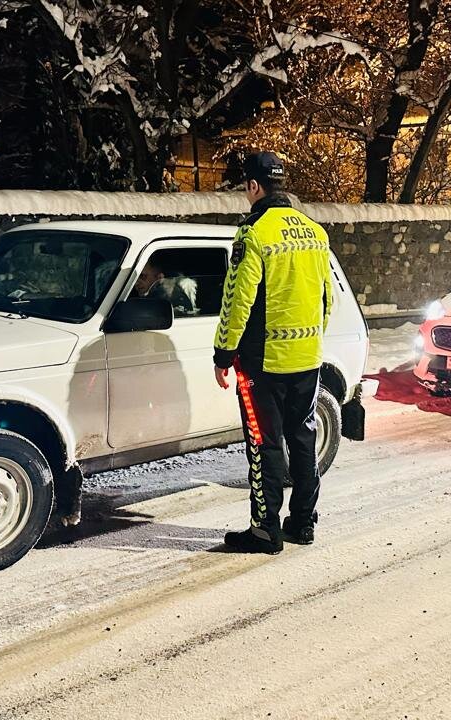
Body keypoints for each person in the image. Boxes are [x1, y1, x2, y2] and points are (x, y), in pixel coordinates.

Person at [213, 152, 333, 554]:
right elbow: (326, 299)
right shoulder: (315, 232)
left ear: (253, 186)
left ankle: (265, 530)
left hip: (263, 362)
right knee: (303, 439)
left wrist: (223, 353)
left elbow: (237, 300)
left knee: (264, 444)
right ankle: (302, 523)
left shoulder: (253, 234)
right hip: (308, 359)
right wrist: (312, 341)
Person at [134, 259, 199, 316]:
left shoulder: (185, 285)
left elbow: (193, 315)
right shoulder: (139, 300)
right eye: (133, 278)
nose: (135, 283)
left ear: (159, 277)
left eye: (142, 276)